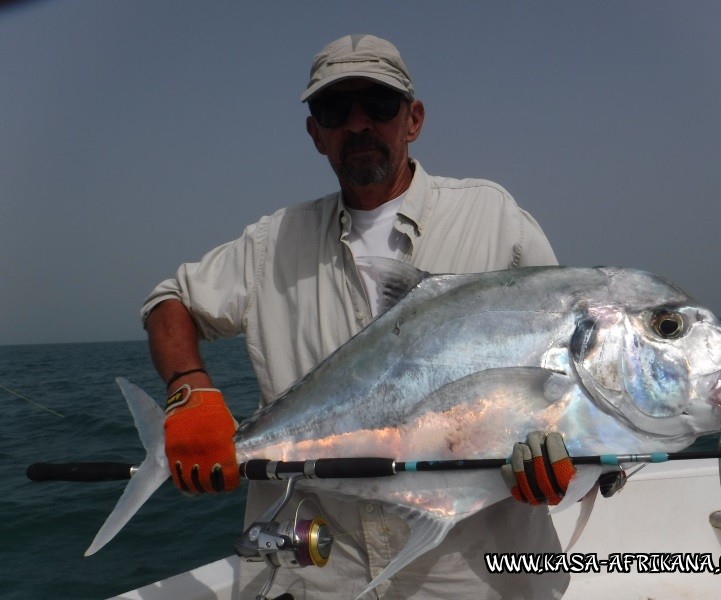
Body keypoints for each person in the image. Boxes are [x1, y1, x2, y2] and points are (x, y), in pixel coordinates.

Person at [142, 34, 572, 599]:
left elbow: (563, 371)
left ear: (413, 119)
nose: (358, 123)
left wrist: (564, 453)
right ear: (315, 133)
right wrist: (187, 387)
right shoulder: (272, 244)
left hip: (476, 572)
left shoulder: (497, 221)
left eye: (380, 105)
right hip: (323, 568)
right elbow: (168, 302)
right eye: (334, 109)